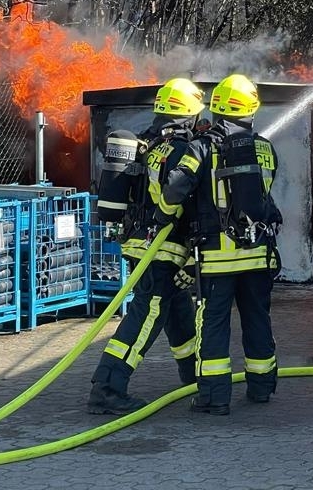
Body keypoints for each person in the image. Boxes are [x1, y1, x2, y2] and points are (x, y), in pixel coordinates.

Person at [153, 72, 282, 417]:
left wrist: (163, 218)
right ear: (251, 109)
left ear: (216, 107)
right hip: (257, 253)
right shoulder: (264, 148)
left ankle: (214, 396)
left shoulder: (201, 146)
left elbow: (175, 190)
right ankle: (262, 386)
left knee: (213, 322)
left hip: (216, 258)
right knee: (258, 317)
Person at [87, 76, 205, 415]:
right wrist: (190, 255)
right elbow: (178, 203)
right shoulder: (182, 150)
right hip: (161, 249)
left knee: (179, 308)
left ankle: (193, 374)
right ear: (189, 114)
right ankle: (107, 387)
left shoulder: (152, 143)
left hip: (142, 242)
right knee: (147, 313)